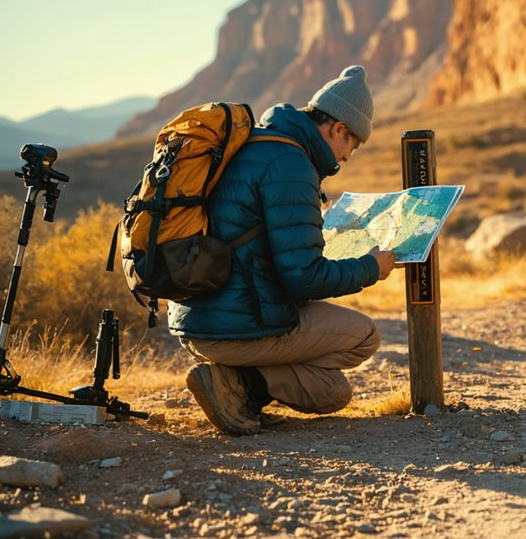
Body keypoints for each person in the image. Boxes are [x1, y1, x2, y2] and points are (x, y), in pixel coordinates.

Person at [167, 65, 397, 435]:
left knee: (331, 391)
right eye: (352, 144)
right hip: (231, 328)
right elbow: (303, 279)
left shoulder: (255, 143)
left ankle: (235, 382)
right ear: (338, 128)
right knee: (364, 337)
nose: (348, 156)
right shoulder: (292, 164)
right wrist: (371, 267)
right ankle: (240, 385)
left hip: (193, 322)